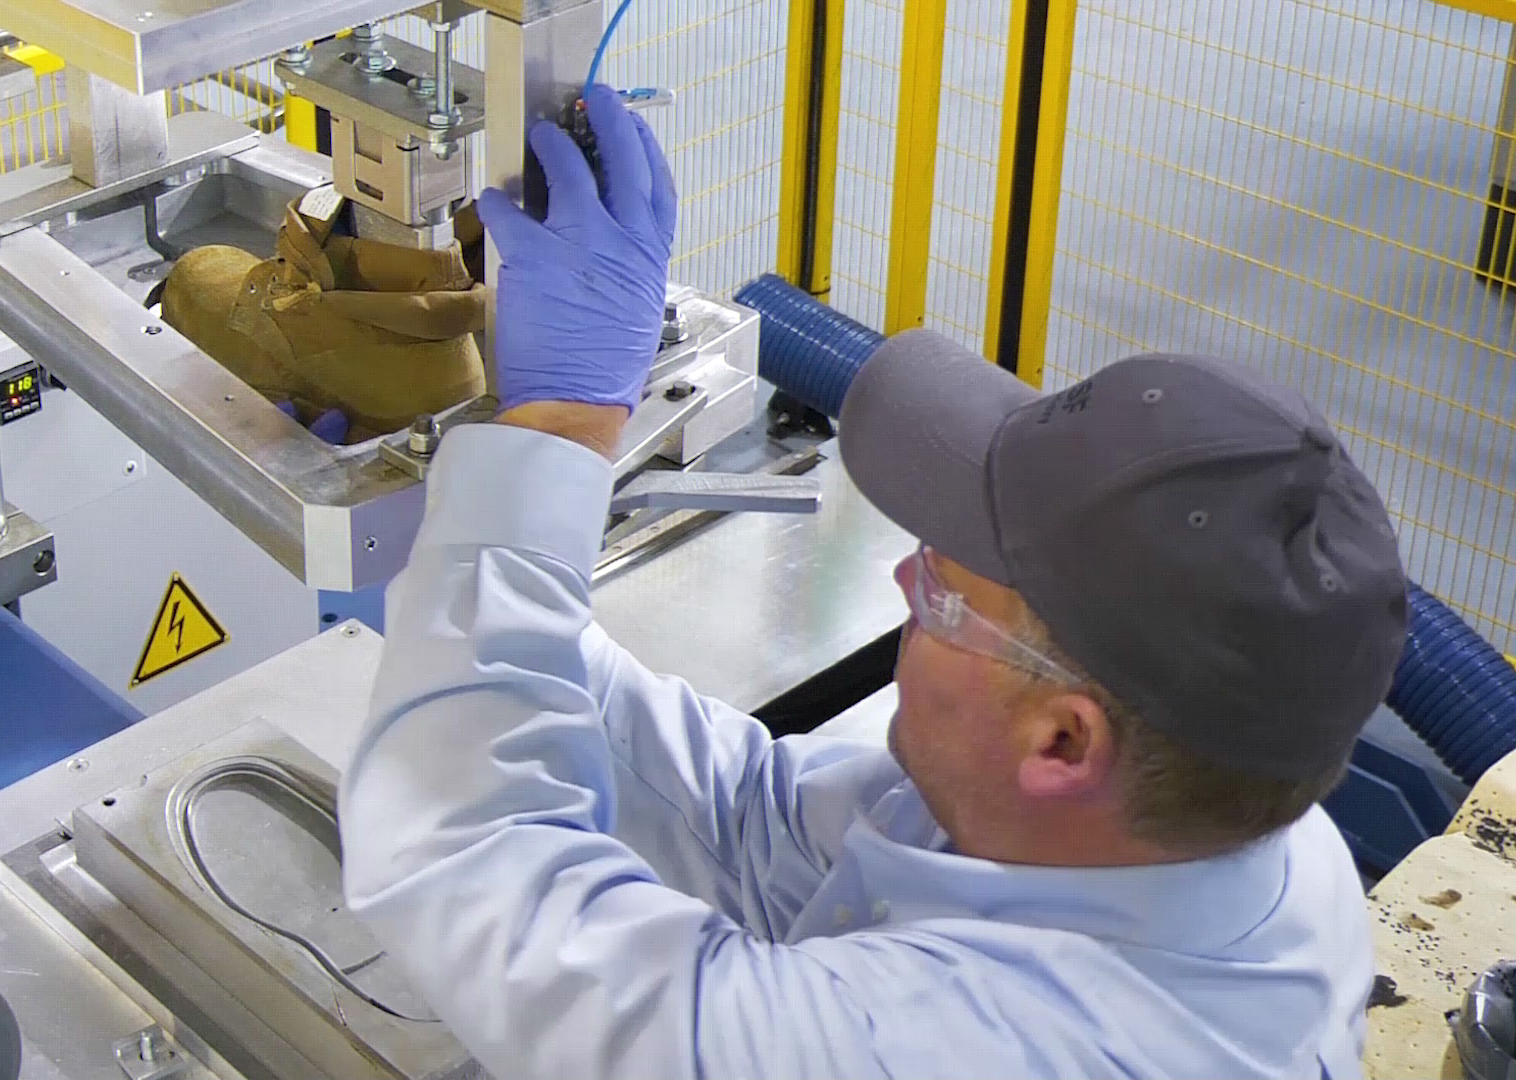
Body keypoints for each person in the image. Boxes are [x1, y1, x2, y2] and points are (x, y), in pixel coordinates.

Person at [338, 84, 1407, 1079]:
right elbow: (752, 823)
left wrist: (560, 435)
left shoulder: (955, 1047)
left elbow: (479, 872)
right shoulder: (1212, 841)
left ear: (1062, 742)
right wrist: (502, 558)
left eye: (946, 593)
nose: (903, 578)